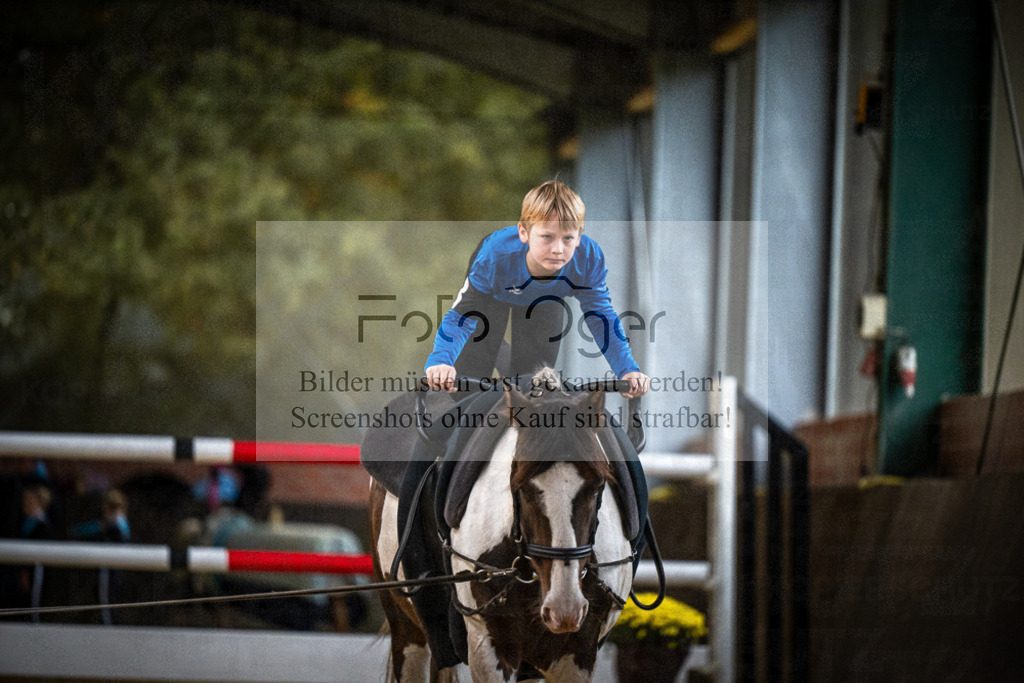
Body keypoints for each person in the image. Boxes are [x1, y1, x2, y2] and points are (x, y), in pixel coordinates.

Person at [425, 180, 651, 398]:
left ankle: (505, 358)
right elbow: (462, 315)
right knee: (466, 387)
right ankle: (494, 345)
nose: (558, 249)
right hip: (494, 292)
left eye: (568, 238)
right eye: (547, 237)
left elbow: (602, 318)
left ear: (579, 238)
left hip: (544, 298)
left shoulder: (588, 259)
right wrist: (440, 361)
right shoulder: (494, 257)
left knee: (533, 386)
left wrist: (627, 369)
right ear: (524, 233)